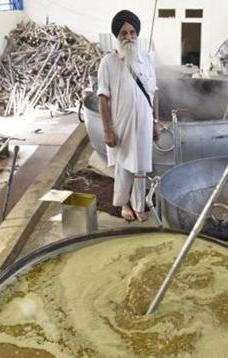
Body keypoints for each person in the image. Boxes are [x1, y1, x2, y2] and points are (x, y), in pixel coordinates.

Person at [97, 10, 159, 222]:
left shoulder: (147, 60)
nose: (129, 37)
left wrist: (155, 122)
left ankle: (139, 205)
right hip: (121, 124)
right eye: (123, 33)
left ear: (137, 34)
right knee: (123, 165)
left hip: (144, 122)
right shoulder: (108, 62)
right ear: (117, 36)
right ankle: (124, 204)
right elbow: (103, 98)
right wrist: (107, 130)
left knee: (141, 166)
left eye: (132, 32)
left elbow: (154, 93)